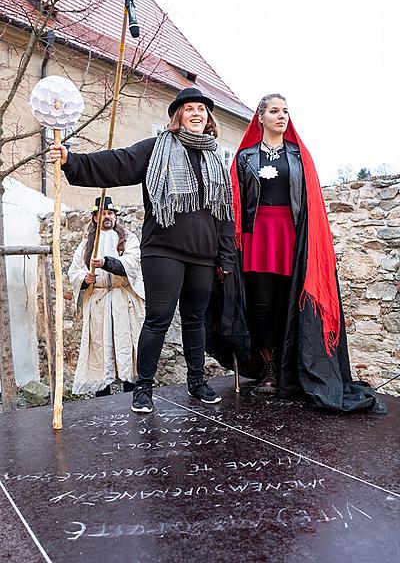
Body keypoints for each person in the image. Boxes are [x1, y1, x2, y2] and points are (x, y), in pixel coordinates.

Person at [50, 87, 235, 414]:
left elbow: (223, 213)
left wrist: (225, 257)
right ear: (178, 115)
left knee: (196, 321)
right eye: (189, 109)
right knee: (158, 319)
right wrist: (71, 161)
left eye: (202, 110)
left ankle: (197, 381)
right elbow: (117, 163)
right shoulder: (157, 148)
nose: (196, 114)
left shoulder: (214, 160)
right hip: (163, 250)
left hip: (203, 255)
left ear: (208, 118)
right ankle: (144, 387)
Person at [229, 93, 386, 413]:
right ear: (260, 117)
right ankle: (269, 368)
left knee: (288, 303)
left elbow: (312, 203)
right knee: (260, 305)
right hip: (258, 235)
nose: (281, 116)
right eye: (274, 111)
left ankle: (291, 371)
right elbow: (235, 201)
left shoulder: (299, 156)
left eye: (285, 111)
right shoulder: (245, 158)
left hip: (291, 237)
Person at [68, 195, 145, 396]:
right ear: (95, 217)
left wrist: (106, 263)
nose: (107, 217)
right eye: (102, 213)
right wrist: (85, 278)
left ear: (115, 216)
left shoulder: (128, 239)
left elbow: (132, 264)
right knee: (101, 351)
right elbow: (73, 271)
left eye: (110, 213)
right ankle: (101, 399)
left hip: (123, 301)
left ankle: (132, 394)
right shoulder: (87, 244)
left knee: (127, 348)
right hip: (99, 303)